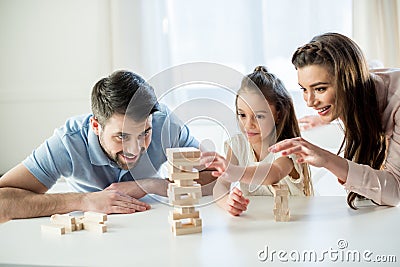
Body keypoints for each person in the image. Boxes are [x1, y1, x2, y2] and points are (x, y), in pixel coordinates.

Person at [0, 70, 214, 222]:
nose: (135, 148)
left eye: (145, 133)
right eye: (121, 136)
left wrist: (151, 185)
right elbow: (3, 201)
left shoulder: (165, 124)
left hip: (152, 223)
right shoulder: (68, 143)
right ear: (95, 125)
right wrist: (84, 201)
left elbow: (214, 177)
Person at [269, 32, 400, 209]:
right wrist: (325, 116)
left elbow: (395, 193)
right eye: (304, 89)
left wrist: (326, 159)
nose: (309, 102)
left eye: (320, 89)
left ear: (349, 81)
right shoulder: (360, 84)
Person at [201, 66, 313, 216]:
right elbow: (220, 186)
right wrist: (227, 201)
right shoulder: (237, 145)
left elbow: (274, 173)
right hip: (257, 223)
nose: (248, 125)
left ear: (278, 115)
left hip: (293, 225)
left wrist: (235, 171)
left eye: (259, 116)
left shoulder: (289, 148)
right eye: (242, 115)